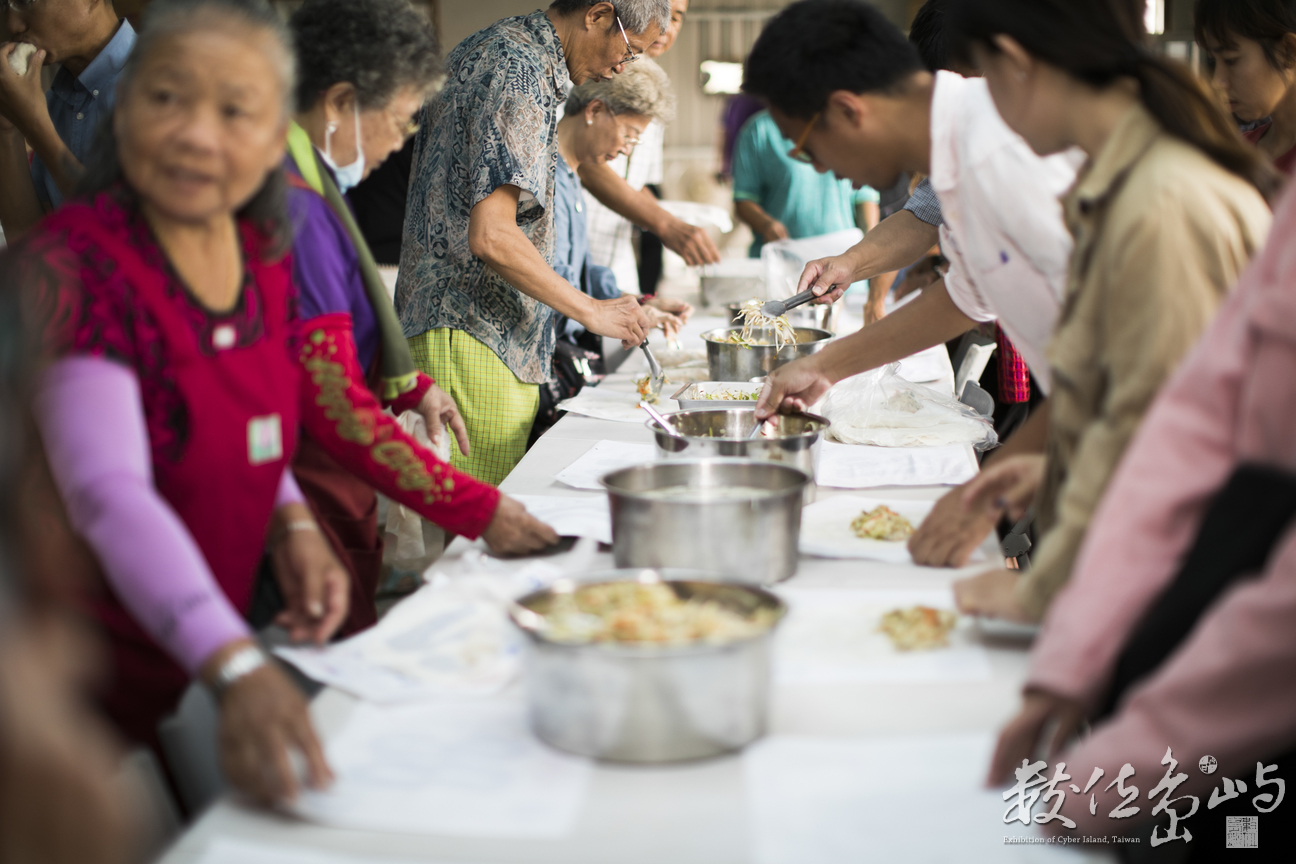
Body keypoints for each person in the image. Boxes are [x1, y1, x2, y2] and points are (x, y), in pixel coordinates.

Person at [14, 0, 343, 806]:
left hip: (203, 651)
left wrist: (291, 519)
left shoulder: (259, 250)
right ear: (123, 114)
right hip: (92, 681)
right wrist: (231, 660)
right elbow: (104, 488)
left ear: (274, 142)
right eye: (166, 97)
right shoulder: (76, 265)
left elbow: (249, 417)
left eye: (234, 110)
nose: (197, 132)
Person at [944, 0, 1273, 628]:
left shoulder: (1161, 202)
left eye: (984, 85)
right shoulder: (1119, 184)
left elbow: (1161, 441)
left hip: (1194, 597)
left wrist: (1044, 594)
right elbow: (1124, 398)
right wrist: (1052, 470)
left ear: (1015, 64)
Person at [744, 0, 1078, 561]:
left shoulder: (997, 152)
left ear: (848, 109)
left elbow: (1126, 364)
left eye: (806, 149)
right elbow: (964, 297)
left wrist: (991, 498)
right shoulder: (958, 140)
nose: (820, 170)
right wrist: (823, 365)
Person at [284, 0, 558, 634]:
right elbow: (333, 404)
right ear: (339, 103)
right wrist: (477, 508)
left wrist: (405, 381)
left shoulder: (308, 182)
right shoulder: (293, 209)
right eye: (403, 118)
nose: (405, 138)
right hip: (304, 498)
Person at [396, 0, 663, 486]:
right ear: (599, 14)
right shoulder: (516, 69)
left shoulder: (517, 55)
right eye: (630, 50)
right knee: (478, 531)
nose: (623, 67)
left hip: (487, 333)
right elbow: (493, 234)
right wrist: (591, 310)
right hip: (473, 329)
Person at [578, 0, 722, 297]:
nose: (665, 27)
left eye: (676, 18)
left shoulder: (654, 89)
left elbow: (635, 184)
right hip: (574, 261)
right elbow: (585, 164)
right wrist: (664, 223)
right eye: (659, 14)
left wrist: (678, 225)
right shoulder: (592, 73)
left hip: (613, 266)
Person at [0, 0, 135, 238]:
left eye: (25, 1)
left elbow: (128, 239)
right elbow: (29, 254)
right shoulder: (51, 103)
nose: (12, 24)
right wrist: (7, 127)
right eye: (4, 5)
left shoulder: (169, 83)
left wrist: (36, 127)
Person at [731, 108, 881, 258]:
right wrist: (766, 225)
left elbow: (865, 197)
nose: (818, 167)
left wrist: (869, 252)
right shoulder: (760, 129)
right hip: (784, 260)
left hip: (844, 257)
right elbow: (743, 197)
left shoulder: (847, 124)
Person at [1197, 0, 1296, 175]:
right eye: (1214, 61)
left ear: (1288, 50)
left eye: (1230, 60)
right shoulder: (1240, 153)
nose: (1218, 81)